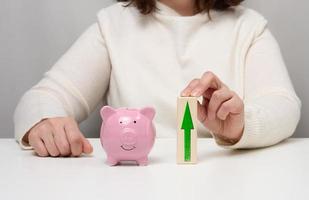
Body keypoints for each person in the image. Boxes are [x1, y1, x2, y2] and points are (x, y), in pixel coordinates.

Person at [14, 0, 301, 157]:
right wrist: (44, 121)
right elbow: (42, 97)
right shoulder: (113, 25)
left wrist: (240, 125)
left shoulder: (248, 28)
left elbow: (284, 106)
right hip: (132, 186)